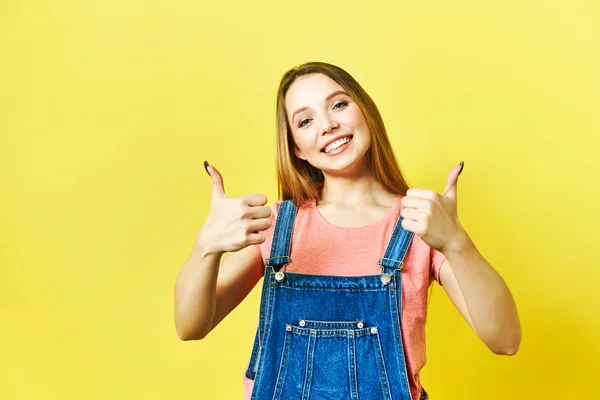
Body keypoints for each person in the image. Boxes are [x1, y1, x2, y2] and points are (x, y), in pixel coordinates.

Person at [174, 62, 521, 400]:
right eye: (306, 121)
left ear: (365, 112)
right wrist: (206, 247)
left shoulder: (421, 225)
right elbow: (191, 327)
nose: (328, 125)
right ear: (297, 148)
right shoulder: (278, 226)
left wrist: (458, 242)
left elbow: (505, 340)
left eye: (339, 104)